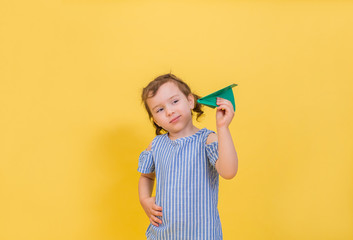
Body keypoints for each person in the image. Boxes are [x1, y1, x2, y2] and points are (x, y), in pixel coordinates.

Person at [137, 73, 238, 239]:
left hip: (202, 234)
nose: (169, 111)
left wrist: (223, 128)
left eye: (175, 101)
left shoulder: (206, 140)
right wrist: (144, 200)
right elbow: (146, 176)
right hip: (164, 234)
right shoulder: (156, 145)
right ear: (155, 120)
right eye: (160, 110)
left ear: (190, 101)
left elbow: (229, 171)